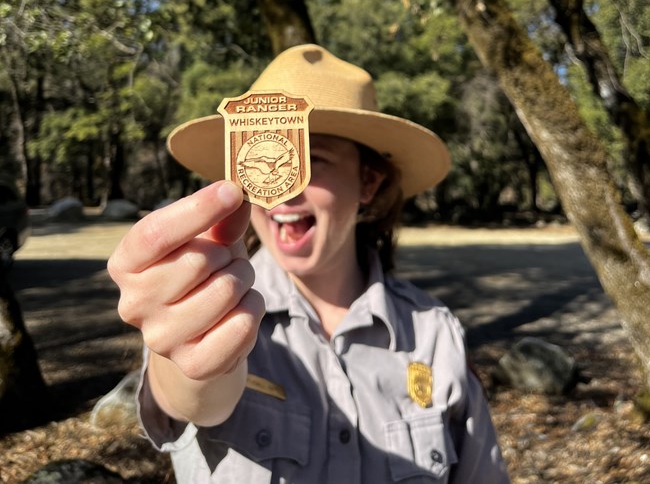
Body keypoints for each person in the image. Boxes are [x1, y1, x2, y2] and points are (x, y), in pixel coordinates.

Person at [108, 44, 510, 482]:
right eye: (261, 155)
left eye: (311, 160)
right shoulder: (209, 304)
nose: (281, 189)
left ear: (368, 182)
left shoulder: (434, 334)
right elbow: (192, 396)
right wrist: (190, 358)